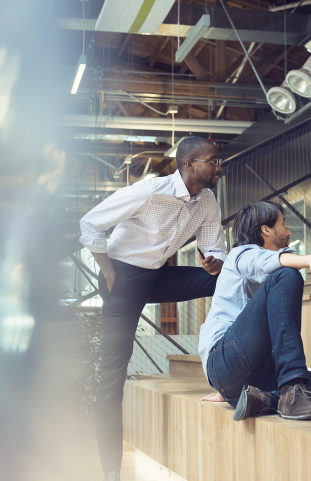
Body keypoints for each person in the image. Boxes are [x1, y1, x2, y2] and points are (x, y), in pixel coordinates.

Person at [78, 137, 227, 480]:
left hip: (157, 276)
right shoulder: (150, 191)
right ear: (190, 164)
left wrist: (216, 263)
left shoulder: (206, 201)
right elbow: (90, 223)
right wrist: (109, 270)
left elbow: (213, 247)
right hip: (123, 278)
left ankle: (229, 366)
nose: (219, 167)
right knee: (113, 374)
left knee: (228, 279)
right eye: (213, 161)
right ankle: (111, 470)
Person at [198, 201, 311, 421]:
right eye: (283, 223)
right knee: (287, 274)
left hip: (254, 380)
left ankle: (268, 399)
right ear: (266, 229)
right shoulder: (240, 254)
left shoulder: (275, 263)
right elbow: (262, 263)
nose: (289, 231)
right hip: (225, 360)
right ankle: (291, 386)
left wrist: (231, 390)